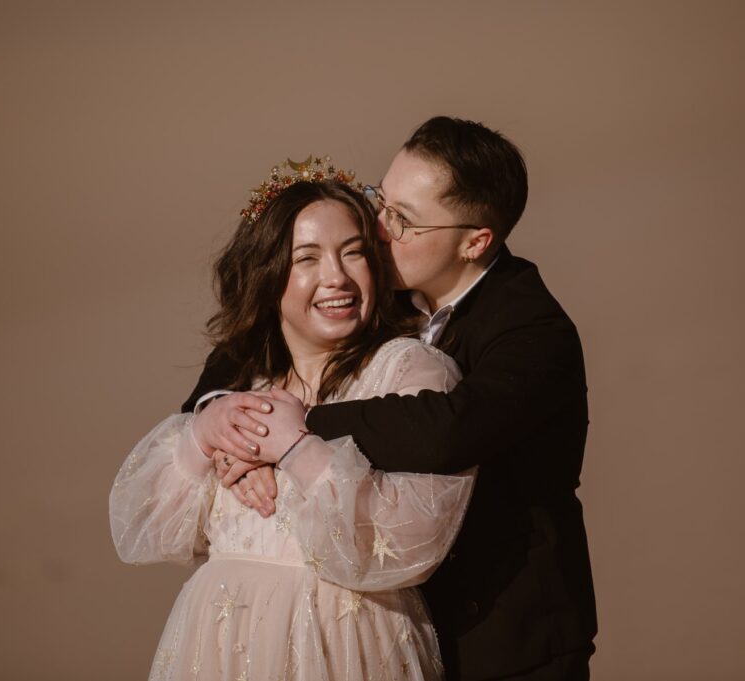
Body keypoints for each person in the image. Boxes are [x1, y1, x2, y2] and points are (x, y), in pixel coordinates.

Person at [185, 118, 597, 680]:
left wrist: (292, 430)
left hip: (506, 636)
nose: (379, 228)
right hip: (391, 624)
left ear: (475, 241)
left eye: (404, 220)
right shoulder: (395, 289)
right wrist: (224, 417)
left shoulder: (533, 332)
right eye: (383, 201)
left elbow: (448, 430)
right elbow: (254, 336)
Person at [109, 157, 475, 681]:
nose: (336, 277)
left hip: (346, 649)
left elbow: (415, 539)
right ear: (267, 275)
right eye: (306, 258)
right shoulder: (240, 384)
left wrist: (296, 450)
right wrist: (201, 435)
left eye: (354, 253)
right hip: (220, 650)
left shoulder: (412, 372)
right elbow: (148, 529)